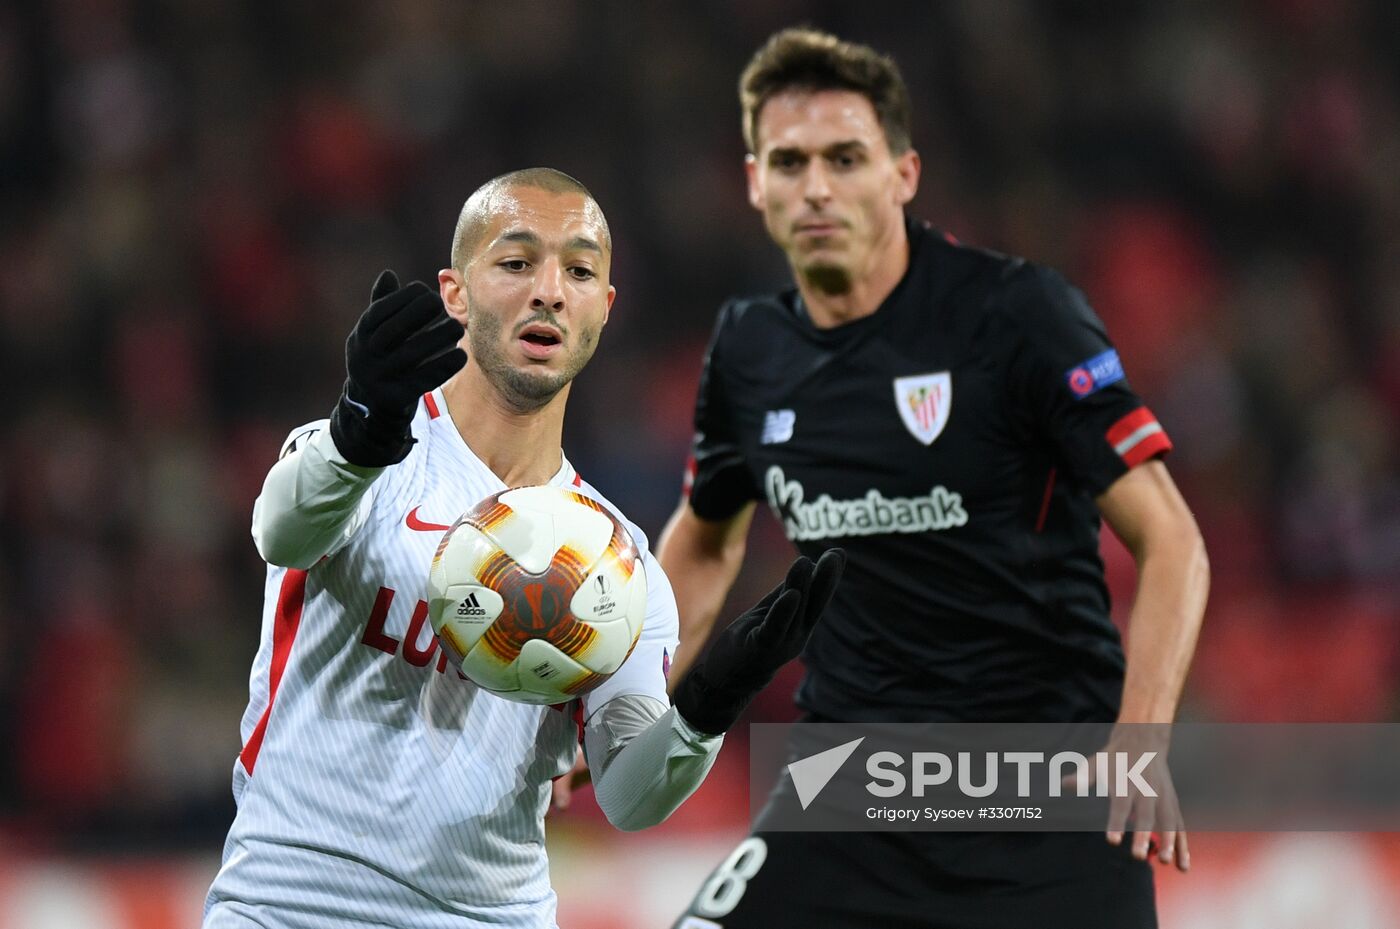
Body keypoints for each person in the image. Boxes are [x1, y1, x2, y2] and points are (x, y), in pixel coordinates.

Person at [661, 29, 1209, 929]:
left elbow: (1173, 541)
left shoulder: (1017, 315)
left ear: (903, 173)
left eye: (846, 158)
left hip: (1048, 798)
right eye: (790, 163)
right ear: (756, 182)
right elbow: (705, 535)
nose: (818, 188)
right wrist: (619, 706)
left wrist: (1139, 739)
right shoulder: (750, 349)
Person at [202, 167, 844, 929]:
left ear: (602, 309)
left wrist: (707, 706)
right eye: (516, 262)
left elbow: (630, 794)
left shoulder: (616, 561)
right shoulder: (361, 459)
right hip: (290, 907)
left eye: (578, 270)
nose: (549, 290)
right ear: (455, 292)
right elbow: (279, 529)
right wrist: (359, 425)